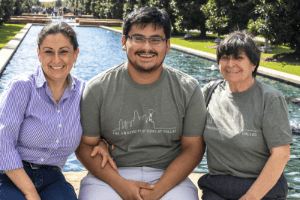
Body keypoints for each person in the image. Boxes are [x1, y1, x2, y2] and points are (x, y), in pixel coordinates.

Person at [76, 6, 207, 200]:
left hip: (168, 176)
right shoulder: (97, 88)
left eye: (155, 40)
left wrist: (158, 191)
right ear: (123, 42)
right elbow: (85, 146)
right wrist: (122, 186)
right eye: (138, 38)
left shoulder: (188, 88)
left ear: (167, 45)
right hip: (111, 175)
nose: (147, 47)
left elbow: (193, 147)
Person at [198, 31, 292, 200]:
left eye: (238, 58)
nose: (230, 64)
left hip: (262, 189)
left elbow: (281, 154)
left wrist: (250, 197)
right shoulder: (209, 93)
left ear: (253, 64)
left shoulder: (270, 99)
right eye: (225, 57)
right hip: (218, 187)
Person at [0, 22, 84, 200]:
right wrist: (30, 193)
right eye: (48, 51)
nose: (56, 59)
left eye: (63, 51)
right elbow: (3, 142)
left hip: (52, 177)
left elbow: (95, 131)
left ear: (75, 54)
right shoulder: (22, 86)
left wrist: (101, 143)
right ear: (38, 53)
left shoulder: (84, 92)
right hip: (9, 174)